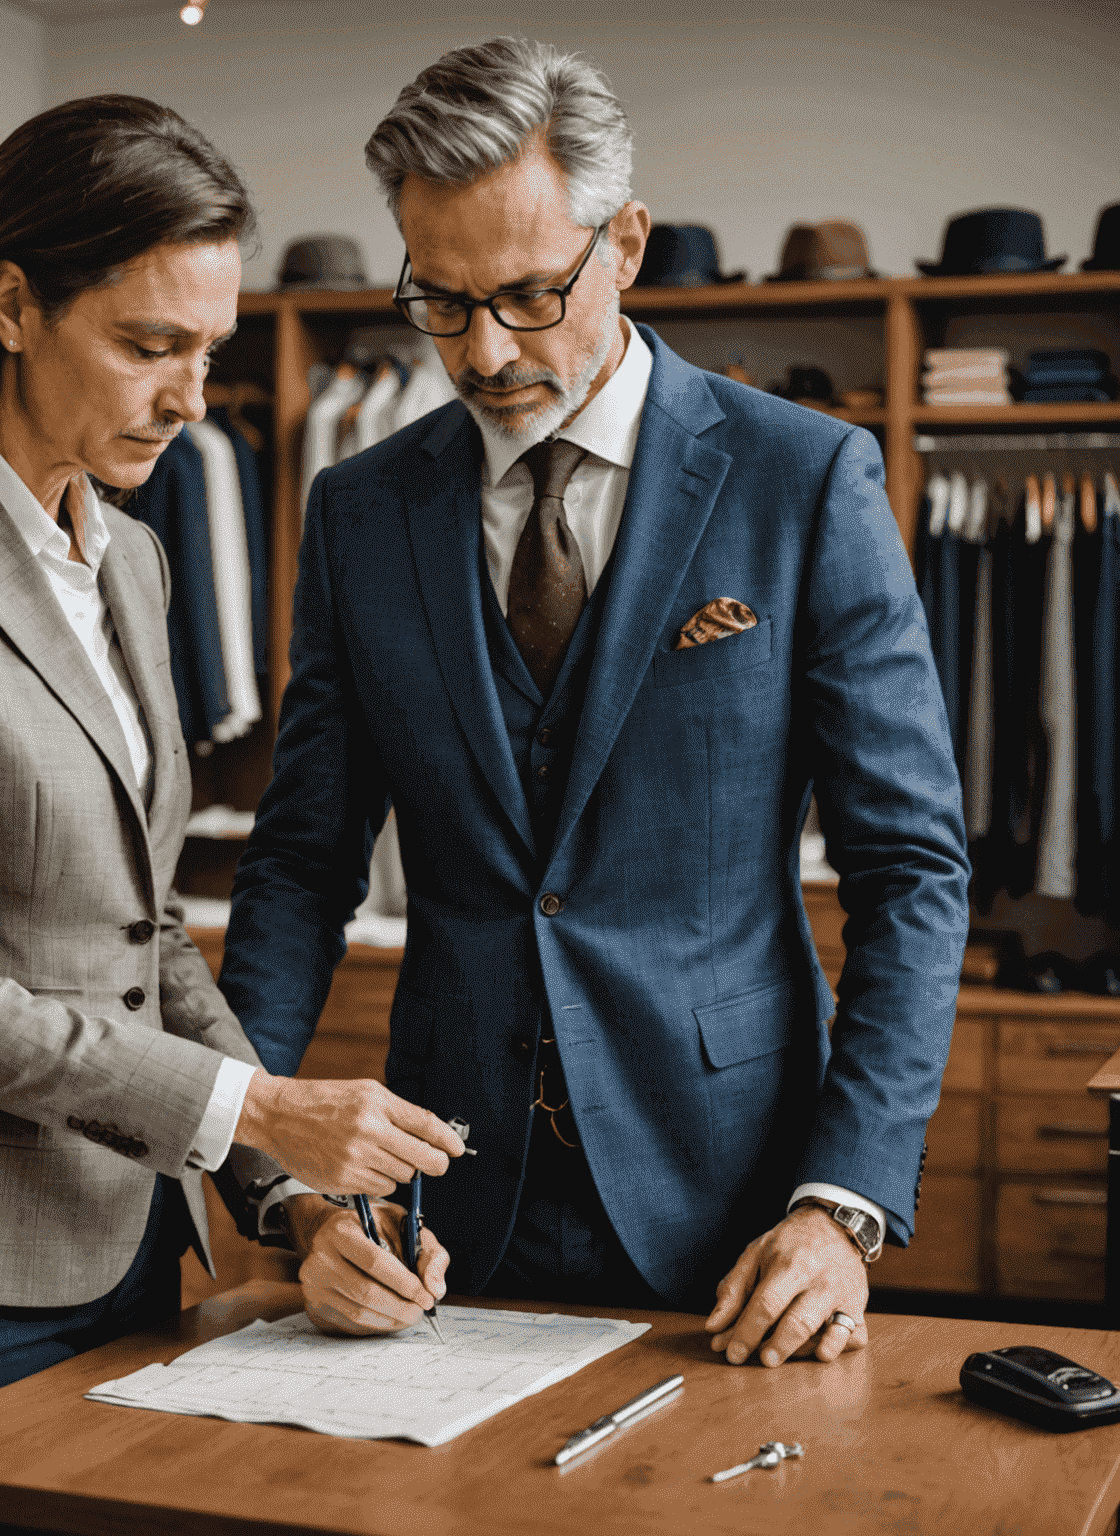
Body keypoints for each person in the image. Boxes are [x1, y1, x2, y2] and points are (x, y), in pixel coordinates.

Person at [0, 96, 461, 1529]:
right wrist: (261, 1105)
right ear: (13, 304)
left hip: (135, 1243)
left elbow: (152, 941)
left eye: (206, 352)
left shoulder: (130, 558)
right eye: (148, 346)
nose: (189, 397)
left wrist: (294, 1203)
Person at [220, 39, 970, 1366]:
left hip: (740, 1202)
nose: (484, 349)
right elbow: (299, 864)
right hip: (443, 1203)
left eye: (526, 293)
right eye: (439, 303)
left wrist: (841, 1204)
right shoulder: (357, 512)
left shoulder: (804, 481)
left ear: (624, 242)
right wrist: (281, 1176)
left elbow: (909, 868)